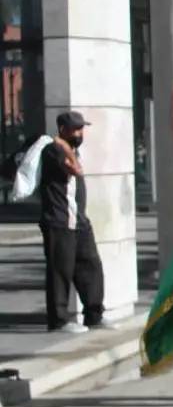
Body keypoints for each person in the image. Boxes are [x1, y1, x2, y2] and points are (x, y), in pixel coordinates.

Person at [38, 111, 105, 334]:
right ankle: (58, 320)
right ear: (63, 130)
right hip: (59, 220)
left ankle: (94, 315)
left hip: (78, 220)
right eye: (75, 129)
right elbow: (75, 170)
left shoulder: (70, 150)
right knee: (60, 271)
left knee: (91, 266)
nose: (79, 133)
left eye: (81, 128)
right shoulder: (54, 150)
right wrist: (64, 146)